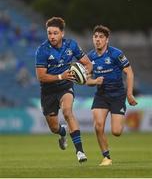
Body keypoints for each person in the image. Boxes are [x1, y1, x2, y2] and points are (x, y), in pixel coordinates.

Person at [35, 17, 92, 163]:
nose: (52, 36)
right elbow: (41, 77)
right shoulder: (42, 50)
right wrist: (61, 75)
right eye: (49, 33)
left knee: (67, 111)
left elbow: (87, 63)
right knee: (54, 128)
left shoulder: (71, 45)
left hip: (65, 87)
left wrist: (85, 75)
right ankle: (62, 132)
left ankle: (80, 151)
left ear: (62, 33)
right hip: (48, 91)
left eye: (55, 33)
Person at [86, 25, 137, 166]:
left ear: (107, 40)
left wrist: (129, 94)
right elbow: (87, 80)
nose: (97, 39)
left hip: (117, 95)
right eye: (95, 36)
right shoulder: (90, 57)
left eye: (101, 37)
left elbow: (130, 73)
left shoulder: (116, 54)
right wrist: (95, 81)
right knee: (98, 125)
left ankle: (119, 118)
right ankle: (106, 157)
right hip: (101, 95)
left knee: (116, 132)